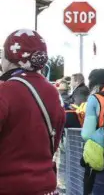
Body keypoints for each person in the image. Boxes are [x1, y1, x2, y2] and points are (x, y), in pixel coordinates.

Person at [0, 29, 66, 195]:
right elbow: (54, 141)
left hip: (9, 186)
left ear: (11, 58)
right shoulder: (53, 92)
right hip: (46, 186)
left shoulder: (5, 91)